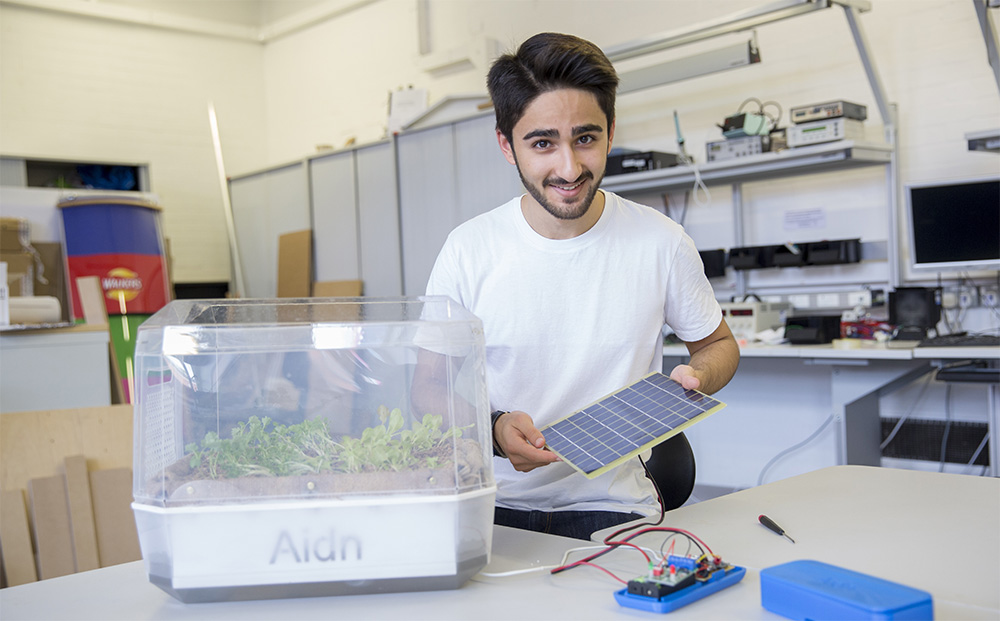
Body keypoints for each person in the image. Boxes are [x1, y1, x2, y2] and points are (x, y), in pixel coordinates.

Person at [423, 32, 740, 540]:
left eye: (586, 139)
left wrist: (697, 375)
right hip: (492, 504)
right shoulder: (467, 250)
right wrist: (496, 428)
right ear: (507, 145)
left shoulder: (662, 242)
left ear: (611, 132)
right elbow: (429, 386)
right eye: (543, 143)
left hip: (615, 508)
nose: (569, 168)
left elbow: (719, 345)